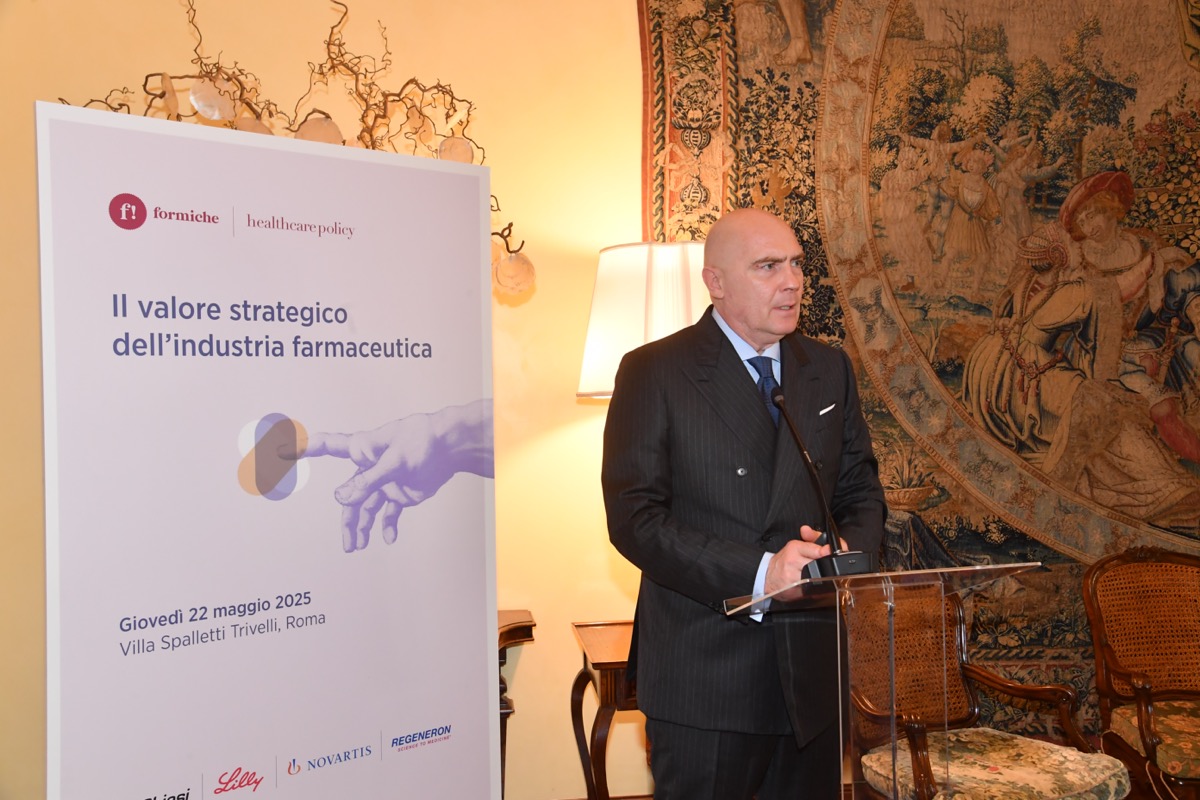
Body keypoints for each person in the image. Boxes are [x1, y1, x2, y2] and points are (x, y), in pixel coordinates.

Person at [601, 207, 886, 799]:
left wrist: (842, 556)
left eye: (797, 264)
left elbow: (860, 489)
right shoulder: (655, 371)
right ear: (716, 282)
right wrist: (762, 573)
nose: (792, 281)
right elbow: (635, 519)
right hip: (708, 676)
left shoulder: (827, 368)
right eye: (768, 267)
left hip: (811, 673)